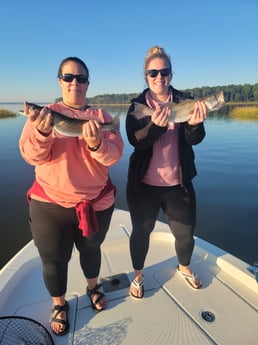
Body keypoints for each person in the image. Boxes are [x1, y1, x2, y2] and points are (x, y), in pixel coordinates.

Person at [19, 56, 124, 336]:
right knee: (53, 260)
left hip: (95, 203)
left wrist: (97, 143)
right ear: (59, 81)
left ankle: (93, 286)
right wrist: (42, 131)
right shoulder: (46, 115)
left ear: (88, 83)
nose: (74, 83)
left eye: (80, 78)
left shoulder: (101, 118)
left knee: (91, 249)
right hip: (49, 204)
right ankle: (59, 304)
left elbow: (113, 157)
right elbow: (30, 155)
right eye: (68, 77)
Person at [126, 46, 207, 299]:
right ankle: (138, 274)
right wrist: (156, 128)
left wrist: (195, 124)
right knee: (141, 231)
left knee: (185, 233)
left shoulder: (186, 101)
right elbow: (135, 140)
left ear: (171, 74)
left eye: (164, 72)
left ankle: (184, 267)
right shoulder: (138, 106)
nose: (159, 77)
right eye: (153, 73)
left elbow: (195, 140)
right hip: (144, 185)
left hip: (178, 184)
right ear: (146, 76)